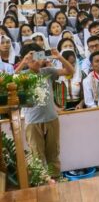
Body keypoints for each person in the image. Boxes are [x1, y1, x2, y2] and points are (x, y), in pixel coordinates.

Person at [16, 43, 76, 178]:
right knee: (37, 156)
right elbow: (10, 83)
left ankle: (56, 179)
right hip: (33, 123)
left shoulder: (48, 71)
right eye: (32, 58)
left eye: (39, 57)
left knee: (53, 153)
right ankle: (42, 182)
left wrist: (59, 57)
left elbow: (70, 71)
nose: (37, 61)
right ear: (25, 59)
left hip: (51, 119)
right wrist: (23, 63)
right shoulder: (22, 75)